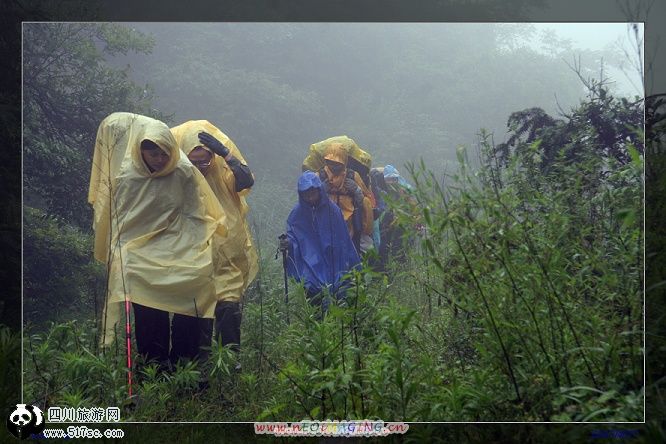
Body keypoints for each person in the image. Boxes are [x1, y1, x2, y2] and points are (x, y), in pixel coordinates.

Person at [88, 112, 226, 371]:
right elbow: (122, 221)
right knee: (148, 306)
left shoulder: (183, 170)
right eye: (155, 155)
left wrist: (196, 245)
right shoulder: (128, 176)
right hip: (140, 251)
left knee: (196, 288)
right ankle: (155, 365)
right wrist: (120, 251)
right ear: (142, 151)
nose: (161, 160)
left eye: (165, 154)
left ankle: (185, 360)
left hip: (178, 244)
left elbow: (196, 212)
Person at [170, 120, 258, 359]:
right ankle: (193, 370)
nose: (200, 167)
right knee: (194, 313)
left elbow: (246, 181)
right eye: (194, 162)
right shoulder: (179, 176)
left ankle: (230, 364)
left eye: (205, 161)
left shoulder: (222, 171)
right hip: (192, 258)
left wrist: (226, 154)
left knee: (228, 308)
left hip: (225, 255)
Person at [281, 171, 361, 313]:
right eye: (306, 194)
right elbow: (293, 235)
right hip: (311, 265)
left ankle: (336, 328)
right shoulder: (297, 214)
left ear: (319, 191)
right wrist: (288, 243)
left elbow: (344, 239)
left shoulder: (333, 211)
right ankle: (316, 328)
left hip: (333, 261)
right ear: (301, 194)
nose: (310, 197)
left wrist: (353, 264)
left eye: (313, 193)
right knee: (314, 303)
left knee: (338, 300)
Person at [317, 143, 374, 254]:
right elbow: (311, 198)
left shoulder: (352, 175)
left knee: (362, 249)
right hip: (326, 221)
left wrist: (356, 190)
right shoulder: (320, 176)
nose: (334, 166)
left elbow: (366, 200)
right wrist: (322, 189)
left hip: (351, 222)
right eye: (331, 162)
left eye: (337, 163)